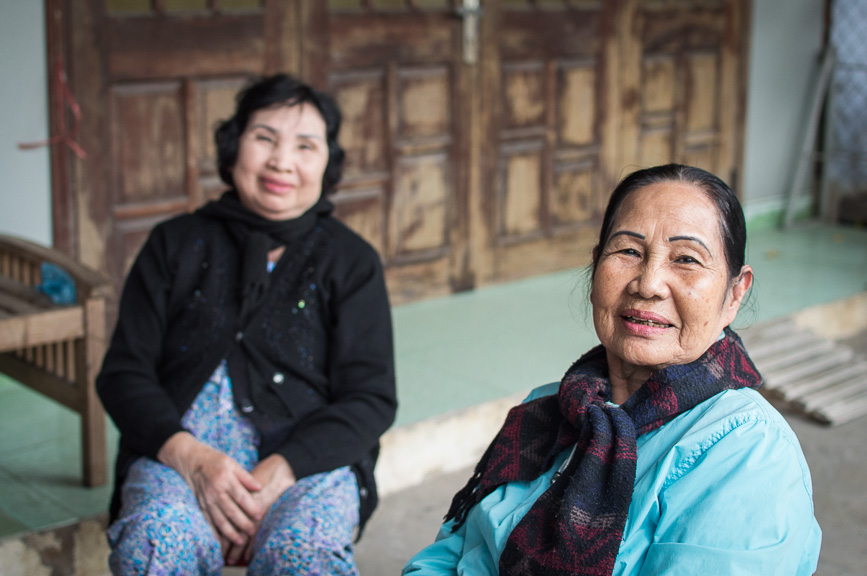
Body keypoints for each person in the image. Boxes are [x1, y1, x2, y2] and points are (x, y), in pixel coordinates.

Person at [403, 164, 821, 576]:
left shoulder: (750, 455)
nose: (648, 283)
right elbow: (452, 552)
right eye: (628, 252)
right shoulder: (548, 407)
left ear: (734, 293)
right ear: (595, 266)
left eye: (687, 259)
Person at [96, 74, 397, 575]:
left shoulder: (351, 261)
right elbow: (124, 374)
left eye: (305, 145)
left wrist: (281, 473)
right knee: (155, 542)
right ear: (234, 147)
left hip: (305, 466)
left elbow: (371, 397)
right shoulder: (174, 243)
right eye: (264, 138)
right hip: (178, 457)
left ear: (327, 162)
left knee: (306, 555)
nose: (282, 161)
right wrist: (192, 460)